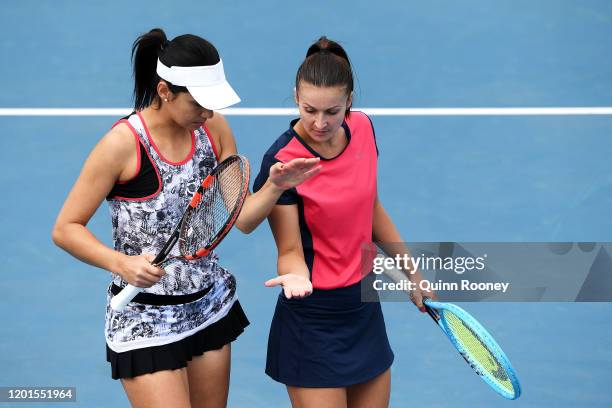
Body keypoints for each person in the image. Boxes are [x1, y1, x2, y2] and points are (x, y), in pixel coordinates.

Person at [52, 28, 319, 408]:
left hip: (206, 308)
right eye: (199, 103)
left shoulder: (214, 129)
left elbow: (241, 219)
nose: (208, 113)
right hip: (144, 320)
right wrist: (122, 264)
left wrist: (274, 187)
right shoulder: (122, 145)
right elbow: (65, 229)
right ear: (165, 92)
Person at [253, 37, 435, 408]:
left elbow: (372, 211)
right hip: (312, 317)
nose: (320, 122)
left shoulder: (364, 129)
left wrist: (413, 276)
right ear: (295, 98)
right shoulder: (283, 160)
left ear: (350, 102)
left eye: (332, 112)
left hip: (363, 310)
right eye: (309, 110)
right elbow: (288, 250)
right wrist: (297, 276)